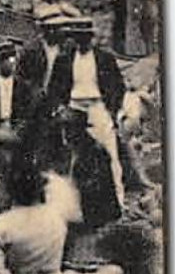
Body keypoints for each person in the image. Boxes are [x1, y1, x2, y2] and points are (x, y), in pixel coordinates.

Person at [44, 15, 137, 198]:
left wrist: (113, 111)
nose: (82, 41)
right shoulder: (65, 59)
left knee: (110, 152)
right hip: (74, 108)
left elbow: (118, 86)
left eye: (85, 37)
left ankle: (118, 200)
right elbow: (53, 88)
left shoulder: (104, 58)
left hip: (98, 107)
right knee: (73, 157)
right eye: (78, 37)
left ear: (91, 37)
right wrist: (60, 108)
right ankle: (74, 204)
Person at [0, 39, 44, 147]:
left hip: (16, 134)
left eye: (12, 58)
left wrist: (16, 132)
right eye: (5, 59)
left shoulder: (24, 87)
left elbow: (28, 114)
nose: (10, 62)